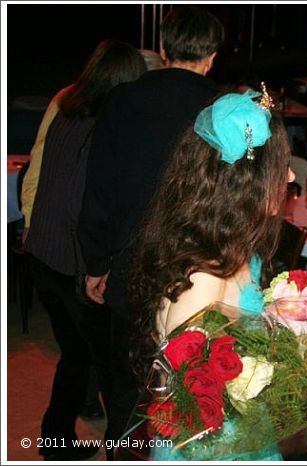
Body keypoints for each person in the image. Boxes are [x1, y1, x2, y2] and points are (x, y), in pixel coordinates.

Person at [77, 6, 224, 456]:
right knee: (188, 387)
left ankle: (121, 454)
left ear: (162, 49)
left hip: (130, 263)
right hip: (198, 272)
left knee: (127, 384)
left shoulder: (122, 100)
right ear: (213, 55)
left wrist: (96, 262)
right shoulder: (224, 109)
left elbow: (99, 188)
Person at [129, 90, 295, 461]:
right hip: (210, 449)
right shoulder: (203, 275)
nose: (290, 175)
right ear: (247, 181)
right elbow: (187, 400)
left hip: (242, 435)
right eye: (281, 166)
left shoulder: (238, 252)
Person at [22, 40, 146, 461]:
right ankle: (121, 450)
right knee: (111, 365)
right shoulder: (106, 125)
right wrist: (99, 265)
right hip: (73, 262)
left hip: (42, 253)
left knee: (75, 356)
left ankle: (56, 441)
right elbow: (85, 205)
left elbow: (45, 181)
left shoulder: (67, 109)